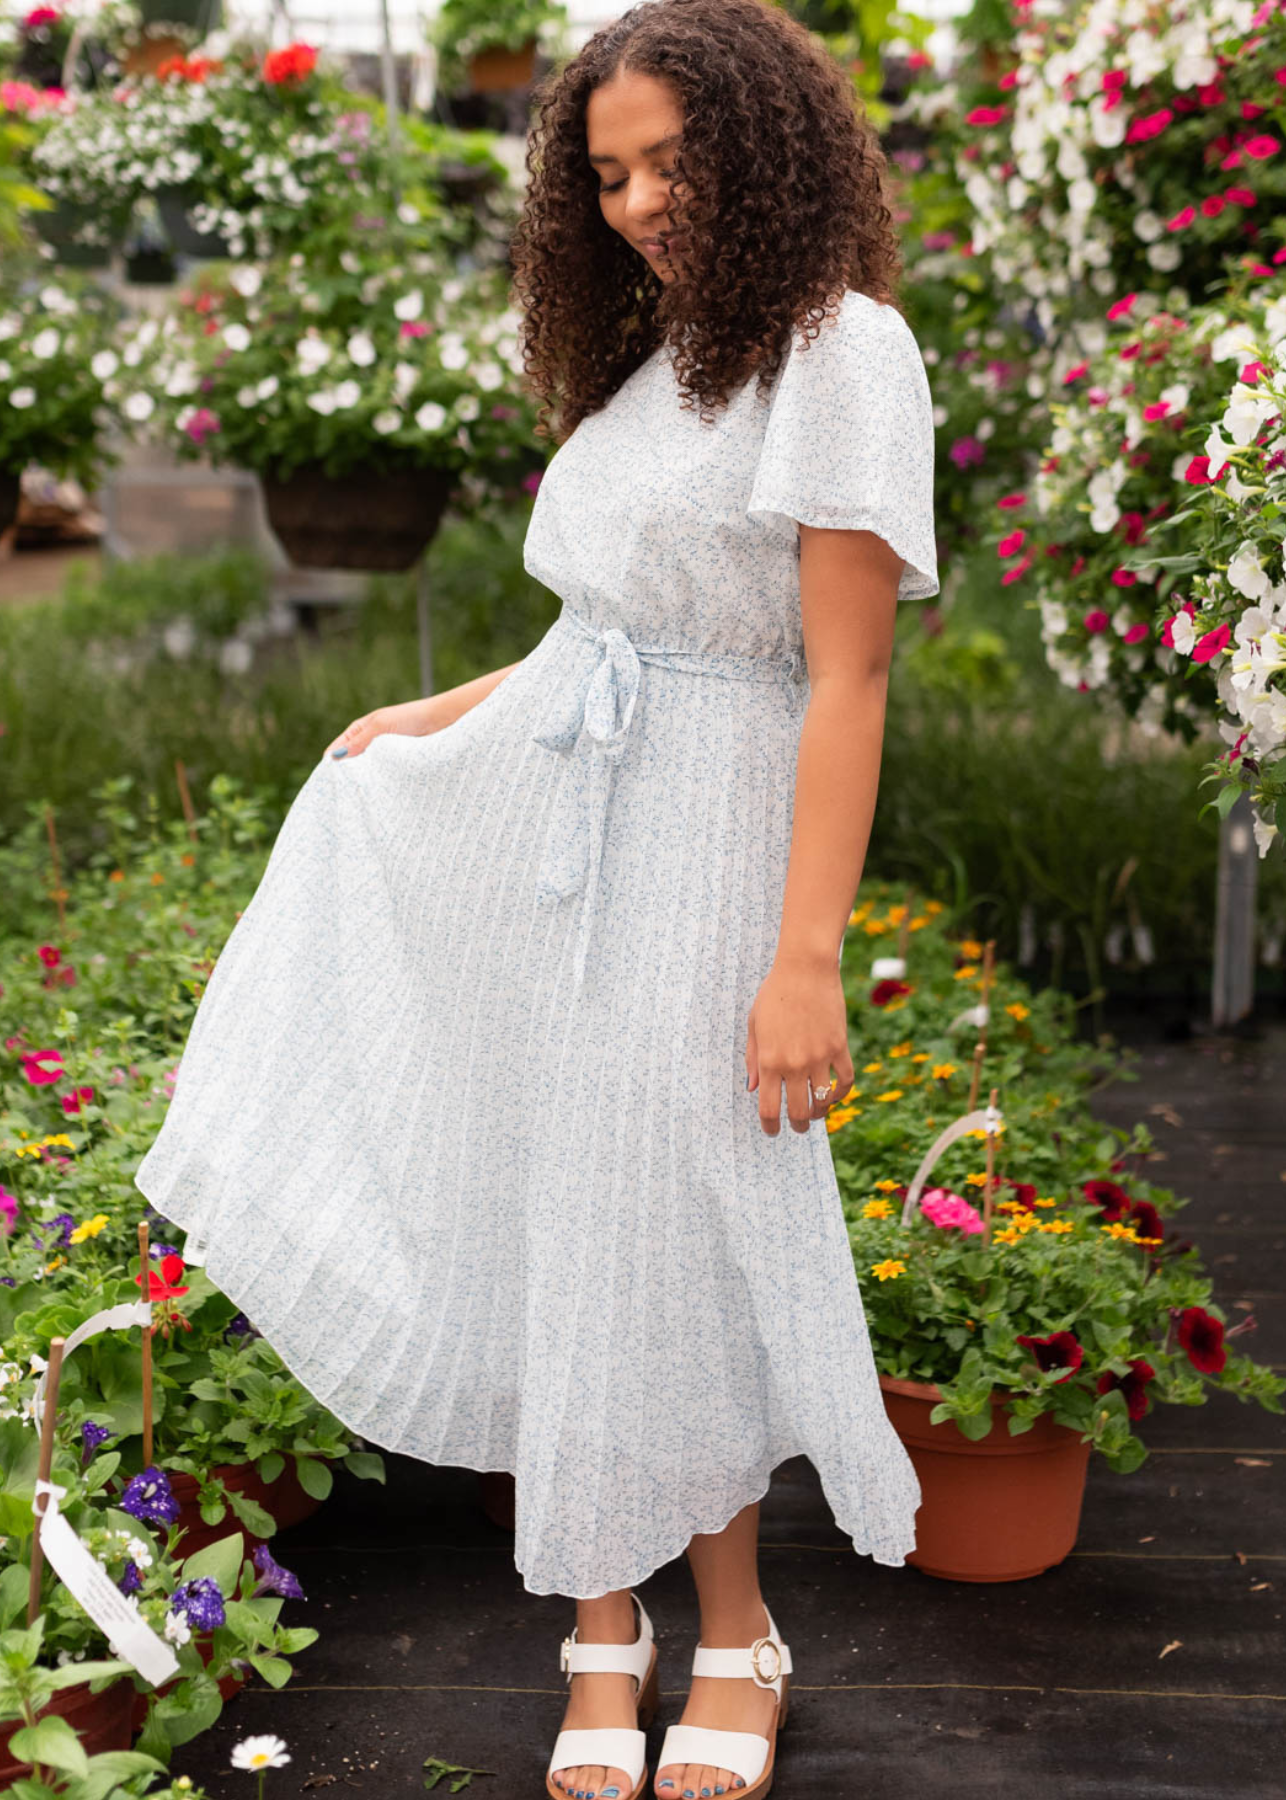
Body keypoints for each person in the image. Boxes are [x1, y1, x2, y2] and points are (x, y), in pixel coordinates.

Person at [133, 1, 939, 1795]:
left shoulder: (843, 350)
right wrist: (437, 715)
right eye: (608, 174)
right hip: (557, 817)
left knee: (691, 1213)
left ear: (764, 154)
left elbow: (845, 678)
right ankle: (599, 1629)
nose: (640, 202)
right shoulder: (665, 368)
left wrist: (805, 955)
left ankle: (734, 1626)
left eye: (673, 164)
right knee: (567, 1201)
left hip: (713, 835)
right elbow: (604, 624)